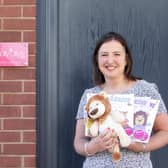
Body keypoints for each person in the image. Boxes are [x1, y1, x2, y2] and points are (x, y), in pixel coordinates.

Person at [73, 32, 168, 168]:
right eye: (104, 55)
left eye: (117, 54)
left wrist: (140, 147)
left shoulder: (146, 90)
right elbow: (79, 142)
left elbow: (165, 131)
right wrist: (93, 146)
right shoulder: (91, 95)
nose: (110, 60)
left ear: (126, 59)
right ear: (97, 60)